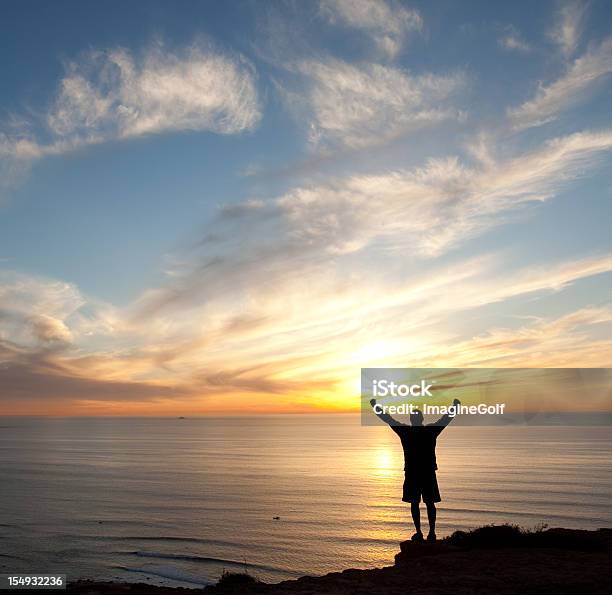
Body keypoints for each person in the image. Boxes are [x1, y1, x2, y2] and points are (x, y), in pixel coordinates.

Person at [370, 397, 460, 542]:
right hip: (427, 472)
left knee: (415, 503)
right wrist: (455, 406)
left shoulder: (405, 431)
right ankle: (431, 533)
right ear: (422, 419)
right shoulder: (430, 431)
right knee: (429, 503)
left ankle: (420, 532)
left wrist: (375, 406)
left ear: (412, 420)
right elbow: (446, 419)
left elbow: (387, 418)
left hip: (413, 473)